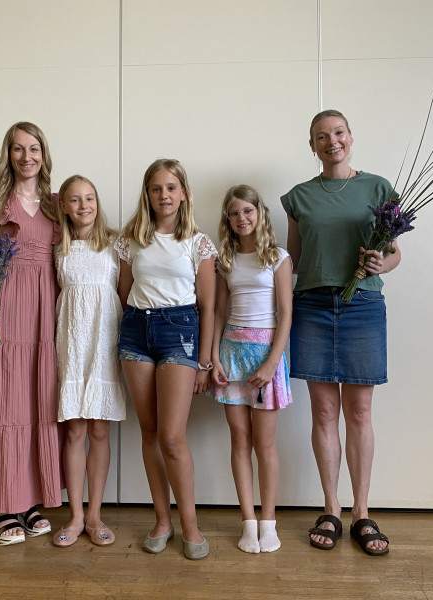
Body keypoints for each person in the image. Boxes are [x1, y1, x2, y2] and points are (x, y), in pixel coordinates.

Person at [280, 109, 399, 556]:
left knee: (360, 413)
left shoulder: (379, 188)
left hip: (363, 306)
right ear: (311, 145)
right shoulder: (298, 197)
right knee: (324, 412)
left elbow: (394, 253)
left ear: (351, 136)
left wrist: (380, 263)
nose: (332, 142)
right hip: (312, 306)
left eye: (338, 133)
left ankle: (361, 512)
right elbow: (292, 260)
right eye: (321, 136)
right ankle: (330, 508)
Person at [0, 121, 64, 546]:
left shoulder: (57, 204)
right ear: (8, 154)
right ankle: (5, 506)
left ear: (44, 154)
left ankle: (31, 500)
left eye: (34, 148)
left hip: (45, 311)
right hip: (5, 309)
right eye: (18, 148)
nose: (27, 156)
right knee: (5, 402)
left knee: (39, 400)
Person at [115, 158, 216, 560]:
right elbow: (124, 293)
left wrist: (204, 362)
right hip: (136, 332)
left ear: (184, 193)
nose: (164, 195)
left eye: (171, 187)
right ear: (147, 194)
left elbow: (208, 306)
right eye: (156, 189)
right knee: (150, 432)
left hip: (180, 332)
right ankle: (162, 520)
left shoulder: (197, 242)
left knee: (172, 438)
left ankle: (190, 525)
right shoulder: (130, 240)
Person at [211, 184, 293, 554]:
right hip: (232, 352)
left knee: (265, 443)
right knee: (240, 440)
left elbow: (286, 314)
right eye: (234, 213)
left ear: (259, 213)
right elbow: (219, 311)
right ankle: (247, 522)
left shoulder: (278, 257)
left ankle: (268, 523)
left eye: (247, 210)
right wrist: (213, 357)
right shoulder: (224, 260)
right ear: (227, 219)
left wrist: (273, 362)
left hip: (265, 355)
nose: (241, 218)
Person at [51, 175, 128, 548]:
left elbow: (126, 295)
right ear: (63, 206)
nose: (84, 205)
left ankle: (95, 515)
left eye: (90, 198)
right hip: (71, 341)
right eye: (75, 199)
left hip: (105, 339)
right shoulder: (56, 247)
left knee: (99, 430)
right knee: (74, 430)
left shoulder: (116, 243)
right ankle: (76, 515)